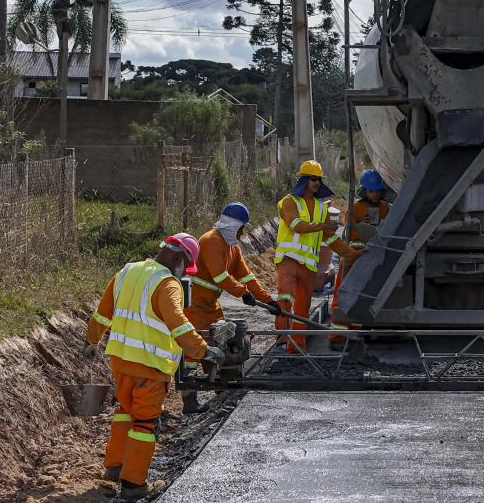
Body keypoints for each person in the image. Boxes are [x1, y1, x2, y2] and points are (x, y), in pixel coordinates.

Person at [83, 234, 223, 500]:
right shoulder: (167, 283)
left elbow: (104, 311)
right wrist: (203, 350)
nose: (184, 273)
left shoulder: (127, 271)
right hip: (150, 367)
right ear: (179, 258)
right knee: (145, 424)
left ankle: (115, 467)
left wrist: (92, 339)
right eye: (186, 266)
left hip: (121, 362)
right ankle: (134, 484)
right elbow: (178, 323)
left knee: (126, 411)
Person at [182, 202, 280, 414]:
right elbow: (220, 276)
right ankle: (189, 398)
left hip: (210, 306)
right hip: (194, 305)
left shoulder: (233, 248)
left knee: (221, 342)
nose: (243, 232)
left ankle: (220, 384)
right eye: (242, 227)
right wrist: (242, 293)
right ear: (233, 225)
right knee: (193, 351)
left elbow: (246, 277)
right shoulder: (210, 241)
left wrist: (268, 301)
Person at [275, 160, 363, 353]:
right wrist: (323, 226)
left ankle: (296, 346)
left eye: (319, 180)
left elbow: (330, 240)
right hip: (288, 260)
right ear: (304, 180)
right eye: (313, 179)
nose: (316, 183)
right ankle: (282, 341)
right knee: (285, 299)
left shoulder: (322, 209)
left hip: (308, 267)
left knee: (302, 308)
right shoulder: (289, 202)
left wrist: (353, 254)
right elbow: (295, 225)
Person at [329, 169, 391, 349]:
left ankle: (355, 334)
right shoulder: (355, 209)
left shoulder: (385, 208)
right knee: (342, 294)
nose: (375, 194)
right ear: (364, 191)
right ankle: (337, 336)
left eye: (378, 191)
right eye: (372, 191)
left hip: (372, 260)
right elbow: (350, 233)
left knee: (363, 297)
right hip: (352, 259)